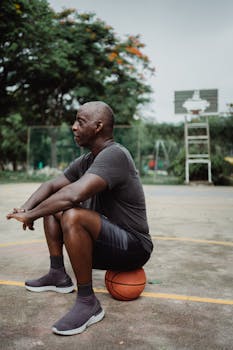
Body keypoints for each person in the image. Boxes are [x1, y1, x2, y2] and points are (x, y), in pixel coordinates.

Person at [7, 101, 153, 336]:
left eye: (80, 122)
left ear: (98, 126)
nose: (74, 127)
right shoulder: (88, 160)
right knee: (55, 203)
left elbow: (73, 194)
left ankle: (88, 303)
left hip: (134, 246)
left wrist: (33, 214)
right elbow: (51, 185)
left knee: (71, 213)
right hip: (104, 242)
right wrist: (26, 209)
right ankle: (58, 275)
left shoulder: (115, 155)